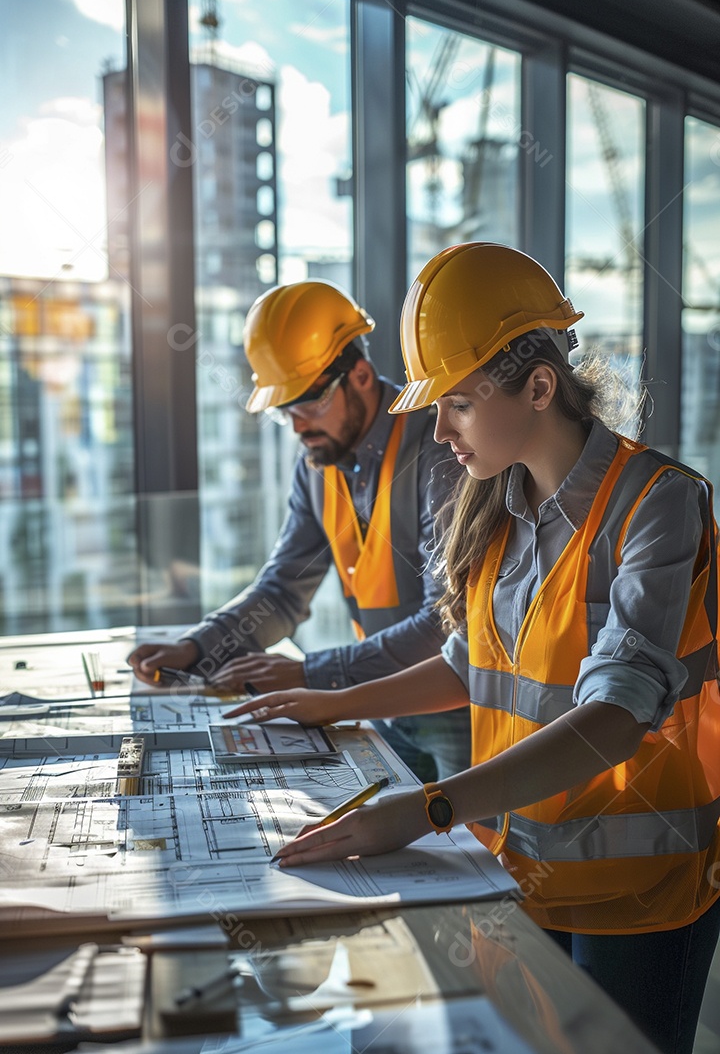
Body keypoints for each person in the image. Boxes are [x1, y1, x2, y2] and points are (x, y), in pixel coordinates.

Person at [235, 243, 720, 1054]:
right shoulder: (495, 505)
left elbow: (615, 717)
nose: (438, 430)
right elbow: (471, 665)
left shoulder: (660, 505)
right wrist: (333, 703)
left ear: (539, 388)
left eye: (457, 403)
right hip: (521, 868)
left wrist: (429, 808)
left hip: (638, 892)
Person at [128, 279, 469, 780]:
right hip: (378, 702)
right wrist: (198, 648)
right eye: (284, 408)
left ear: (360, 375)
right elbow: (282, 591)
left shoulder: (439, 451)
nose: (297, 424)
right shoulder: (317, 463)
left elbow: (446, 623)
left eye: (309, 402)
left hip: (454, 702)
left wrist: (310, 673)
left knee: (467, 825)